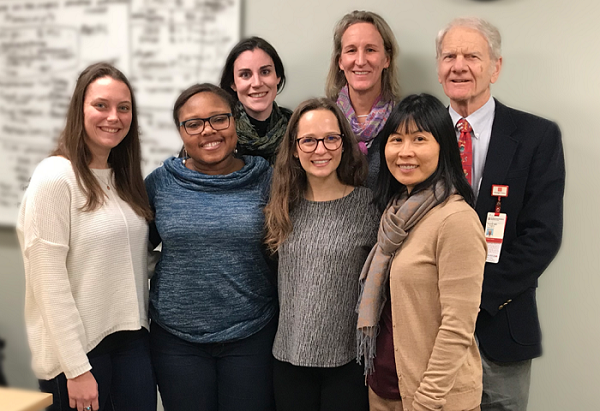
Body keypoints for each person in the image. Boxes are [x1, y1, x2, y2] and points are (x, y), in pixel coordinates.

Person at [435, 17, 565, 410]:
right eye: (449, 56)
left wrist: (474, 297)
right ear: (438, 67)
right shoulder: (418, 137)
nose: (459, 66)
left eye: (472, 56)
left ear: (496, 67)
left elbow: (542, 236)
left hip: (501, 326)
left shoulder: (536, 136)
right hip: (431, 327)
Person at [16, 62, 156, 411]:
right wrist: (76, 369)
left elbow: (127, 260)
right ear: (79, 110)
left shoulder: (122, 180)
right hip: (80, 353)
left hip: (132, 341)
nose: (114, 117)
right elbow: (48, 281)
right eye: (101, 105)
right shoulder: (55, 176)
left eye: (124, 108)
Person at [146, 83, 277, 411]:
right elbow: (133, 247)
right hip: (177, 341)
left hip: (251, 335)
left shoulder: (267, 179)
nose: (208, 131)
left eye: (219, 119)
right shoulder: (161, 183)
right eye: (194, 124)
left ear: (235, 121)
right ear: (181, 131)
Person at [357, 94, 487, 411]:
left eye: (419, 139)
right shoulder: (394, 213)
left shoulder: (455, 220)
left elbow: (458, 327)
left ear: (443, 147)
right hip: (384, 390)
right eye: (396, 139)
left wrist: (427, 401)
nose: (405, 151)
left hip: (432, 399)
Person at [264, 98, 379, 411]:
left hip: (348, 362)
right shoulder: (282, 206)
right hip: (289, 357)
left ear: (344, 143)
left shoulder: (368, 206)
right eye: (309, 140)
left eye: (331, 138)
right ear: (294, 148)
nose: (321, 149)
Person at [326, 10, 401, 189]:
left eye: (370, 50)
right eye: (351, 50)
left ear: (387, 59)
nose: (360, 61)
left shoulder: (403, 121)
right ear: (340, 61)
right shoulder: (324, 121)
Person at [220, 36, 292, 163]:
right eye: (245, 75)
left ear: (278, 77)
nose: (257, 83)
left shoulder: (296, 128)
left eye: (265, 72)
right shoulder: (218, 131)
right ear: (233, 83)